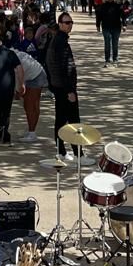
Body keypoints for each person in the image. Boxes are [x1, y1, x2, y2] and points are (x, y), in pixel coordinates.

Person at [44, 11, 80, 158]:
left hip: (59, 87)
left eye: (71, 23)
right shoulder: (60, 43)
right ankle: (78, 154)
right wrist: (70, 90)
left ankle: (62, 151)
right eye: (67, 23)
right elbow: (64, 68)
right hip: (64, 88)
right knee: (73, 121)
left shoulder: (59, 40)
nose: (69, 25)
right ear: (60, 24)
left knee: (62, 119)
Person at [13, 46, 47, 141]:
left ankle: (32, 134)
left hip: (36, 76)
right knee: (30, 105)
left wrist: (17, 92)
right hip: (34, 74)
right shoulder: (15, 53)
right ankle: (31, 129)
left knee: (30, 105)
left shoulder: (13, 62)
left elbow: (19, 78)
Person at [94, 0, 124, 66]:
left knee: (115, 44)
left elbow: (123, 15)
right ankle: (107, 60)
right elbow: (98, 16)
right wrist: (97, 25)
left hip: (116, 27)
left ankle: (115, 59)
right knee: (107, 44)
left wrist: (124, 25)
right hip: (106, 27)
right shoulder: (102, 6)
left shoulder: (118, 6)